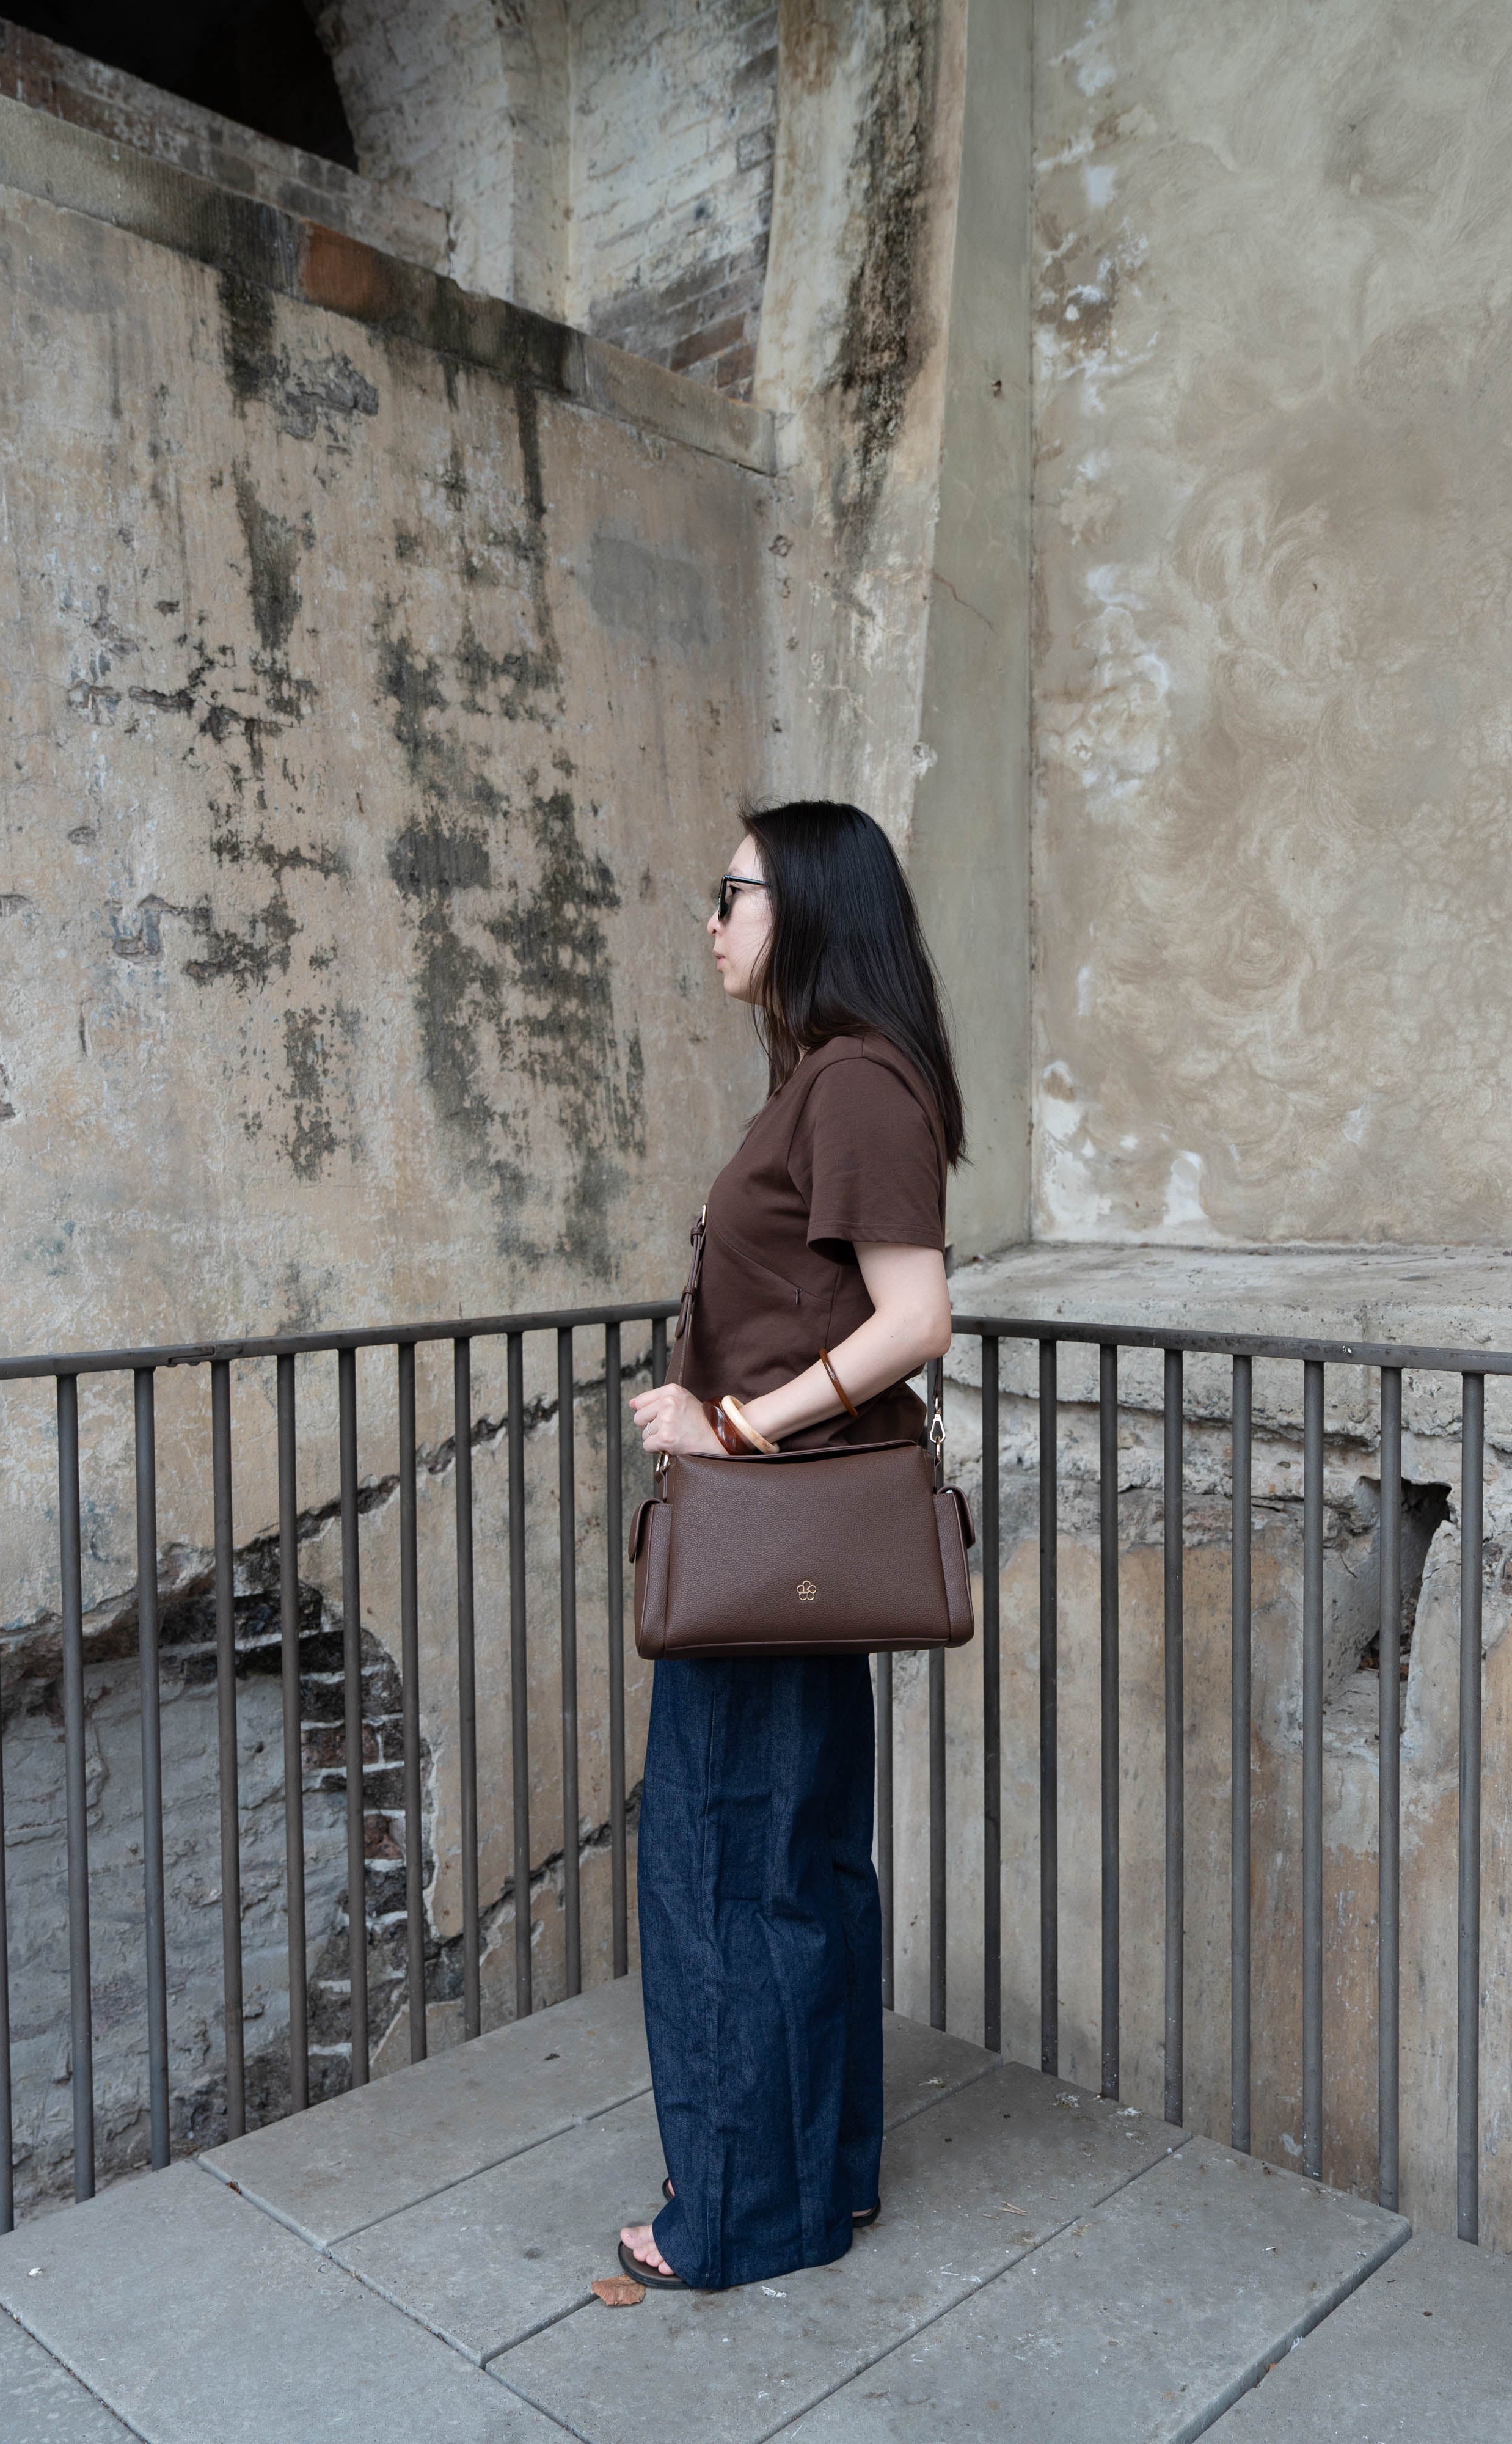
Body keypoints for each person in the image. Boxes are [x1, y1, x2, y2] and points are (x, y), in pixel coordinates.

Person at [617, 800, 966, 2293]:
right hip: (783, 1547)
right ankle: (816, 2183)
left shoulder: (854, 1083)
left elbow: (914, 1316)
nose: (712, 919)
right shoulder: (832, 1076)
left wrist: (734, 1426)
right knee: (799, 1868)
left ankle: (741, 2212)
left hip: (767, 1543)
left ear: (812, 905)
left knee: (725, 1869)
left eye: (735, 891)